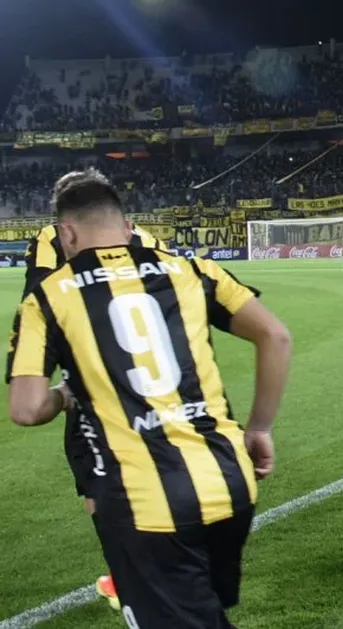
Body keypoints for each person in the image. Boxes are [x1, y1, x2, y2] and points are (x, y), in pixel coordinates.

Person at [7, 175, 293, 628]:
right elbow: (276, 336)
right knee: (202, 609)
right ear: (127, 226)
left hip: (146, 507)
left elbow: (25, 409)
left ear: (66, 234)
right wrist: (258, 429)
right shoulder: (192, 269)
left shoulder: (47, 298)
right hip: (230, 484)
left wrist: (64, 395)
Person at [20, 169, 173, 611]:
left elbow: (40, 299)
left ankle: (131, 576)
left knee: (96, 478)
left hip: (94, 379)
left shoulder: (52, 237)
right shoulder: (143, 235)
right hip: (161, 378)